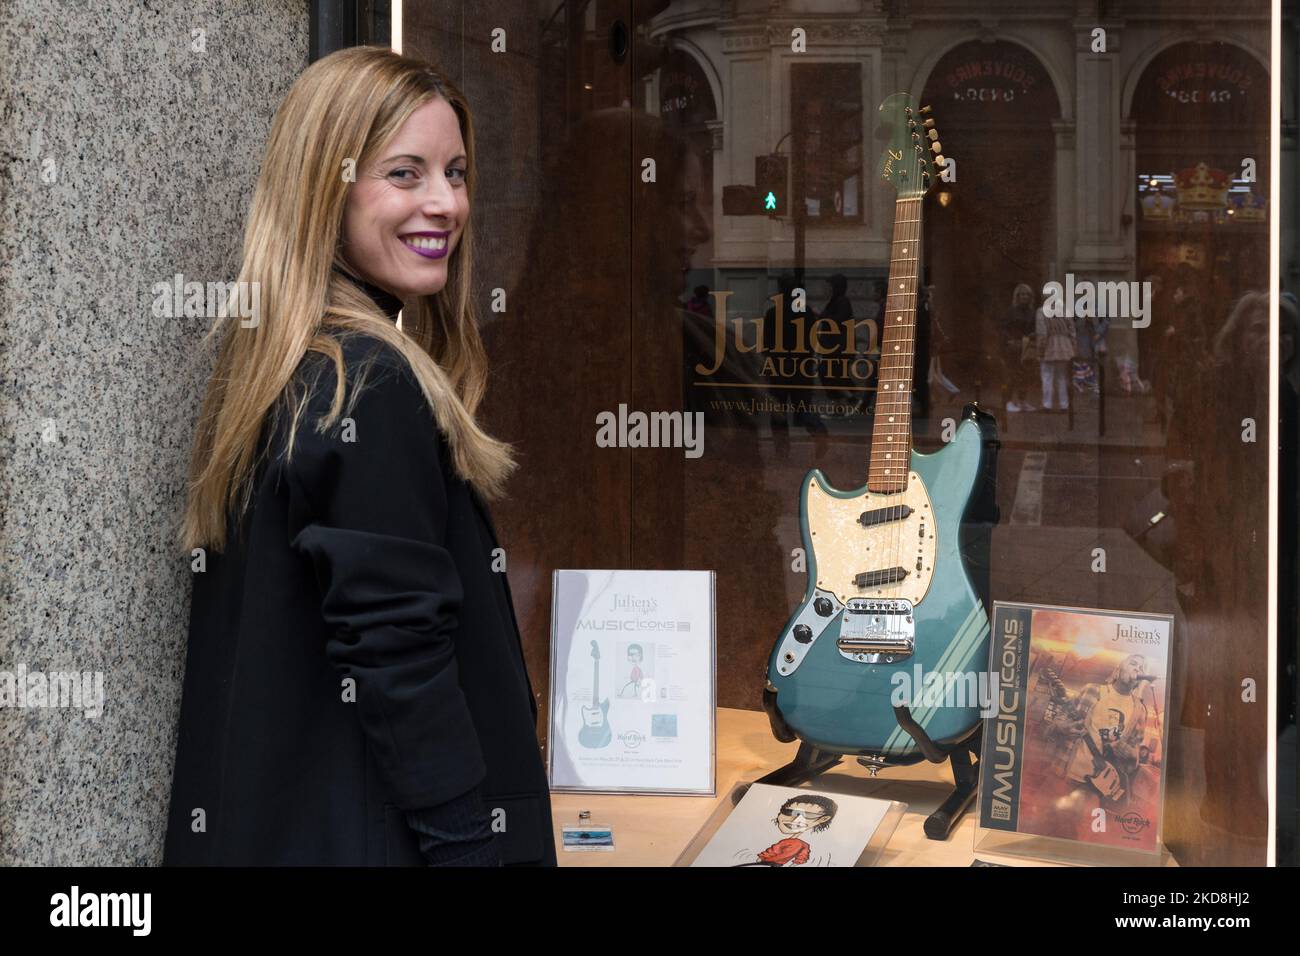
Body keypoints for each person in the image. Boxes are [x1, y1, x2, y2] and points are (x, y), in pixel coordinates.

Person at [165, 46, 554, 866]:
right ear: (324, 189)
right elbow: (400, 660)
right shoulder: (366, 385)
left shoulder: (289, 369)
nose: (446, 203)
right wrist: (471, 851)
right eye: (405, 174)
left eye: (456, 172)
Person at [1035, 290, 1076, 412]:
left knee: (1047, 375)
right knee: (1062, 377)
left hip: (1049, 345)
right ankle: (1064, 404)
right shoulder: (1064, 310)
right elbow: (1072, 329)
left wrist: (1040, 349)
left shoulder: (1041, 311)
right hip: (1064, 346)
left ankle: (1047, 404)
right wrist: (1073, 345)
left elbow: (1042, 333)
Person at [1004, 283, 1037, 412]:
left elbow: (1035, 327)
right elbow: (1003, 328)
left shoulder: (1032, 312)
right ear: (1017, 296)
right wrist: (1009, 340)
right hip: (1014, 346)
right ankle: (1008, 402)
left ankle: (1022, 401)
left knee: (1026, 375)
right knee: (1012, 374)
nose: (1025, 297)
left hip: (1027, 346)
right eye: (1022, 294)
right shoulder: (1011, 311)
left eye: (1027, 295)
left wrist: (1034, 335)